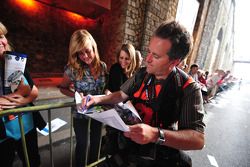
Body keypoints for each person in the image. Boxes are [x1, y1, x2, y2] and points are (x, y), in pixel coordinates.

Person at [82, 20, 205, 167]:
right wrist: (97, 99)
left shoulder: (189, 89)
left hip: (155, 159)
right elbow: (120, 95)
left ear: (175, 62)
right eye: (149, 52)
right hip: (125, 152)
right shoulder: (142, 74)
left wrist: (155, 134)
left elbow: (198, 139)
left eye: (156, 56)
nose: (147, 59)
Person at [59, 29, 108, 166]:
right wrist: (75, 95)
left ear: (93, 46)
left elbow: (105, 88)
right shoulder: (72, 69)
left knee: (96, 142)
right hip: (80, 113)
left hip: (98, 111)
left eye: (87, 51)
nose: (85, 56)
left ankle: (94, 164)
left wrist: (108, 92)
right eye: (80, 53)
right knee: (82, 144)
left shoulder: (102, 66)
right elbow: (62, 88)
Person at [0, 22, 45, 167]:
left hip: (26, 126)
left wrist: (19, 101)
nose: (2, 41)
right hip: (3, 134)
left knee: (33, 162)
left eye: (2, 36)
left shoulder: (13, 60)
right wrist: (20, 95)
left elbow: (33, 91)